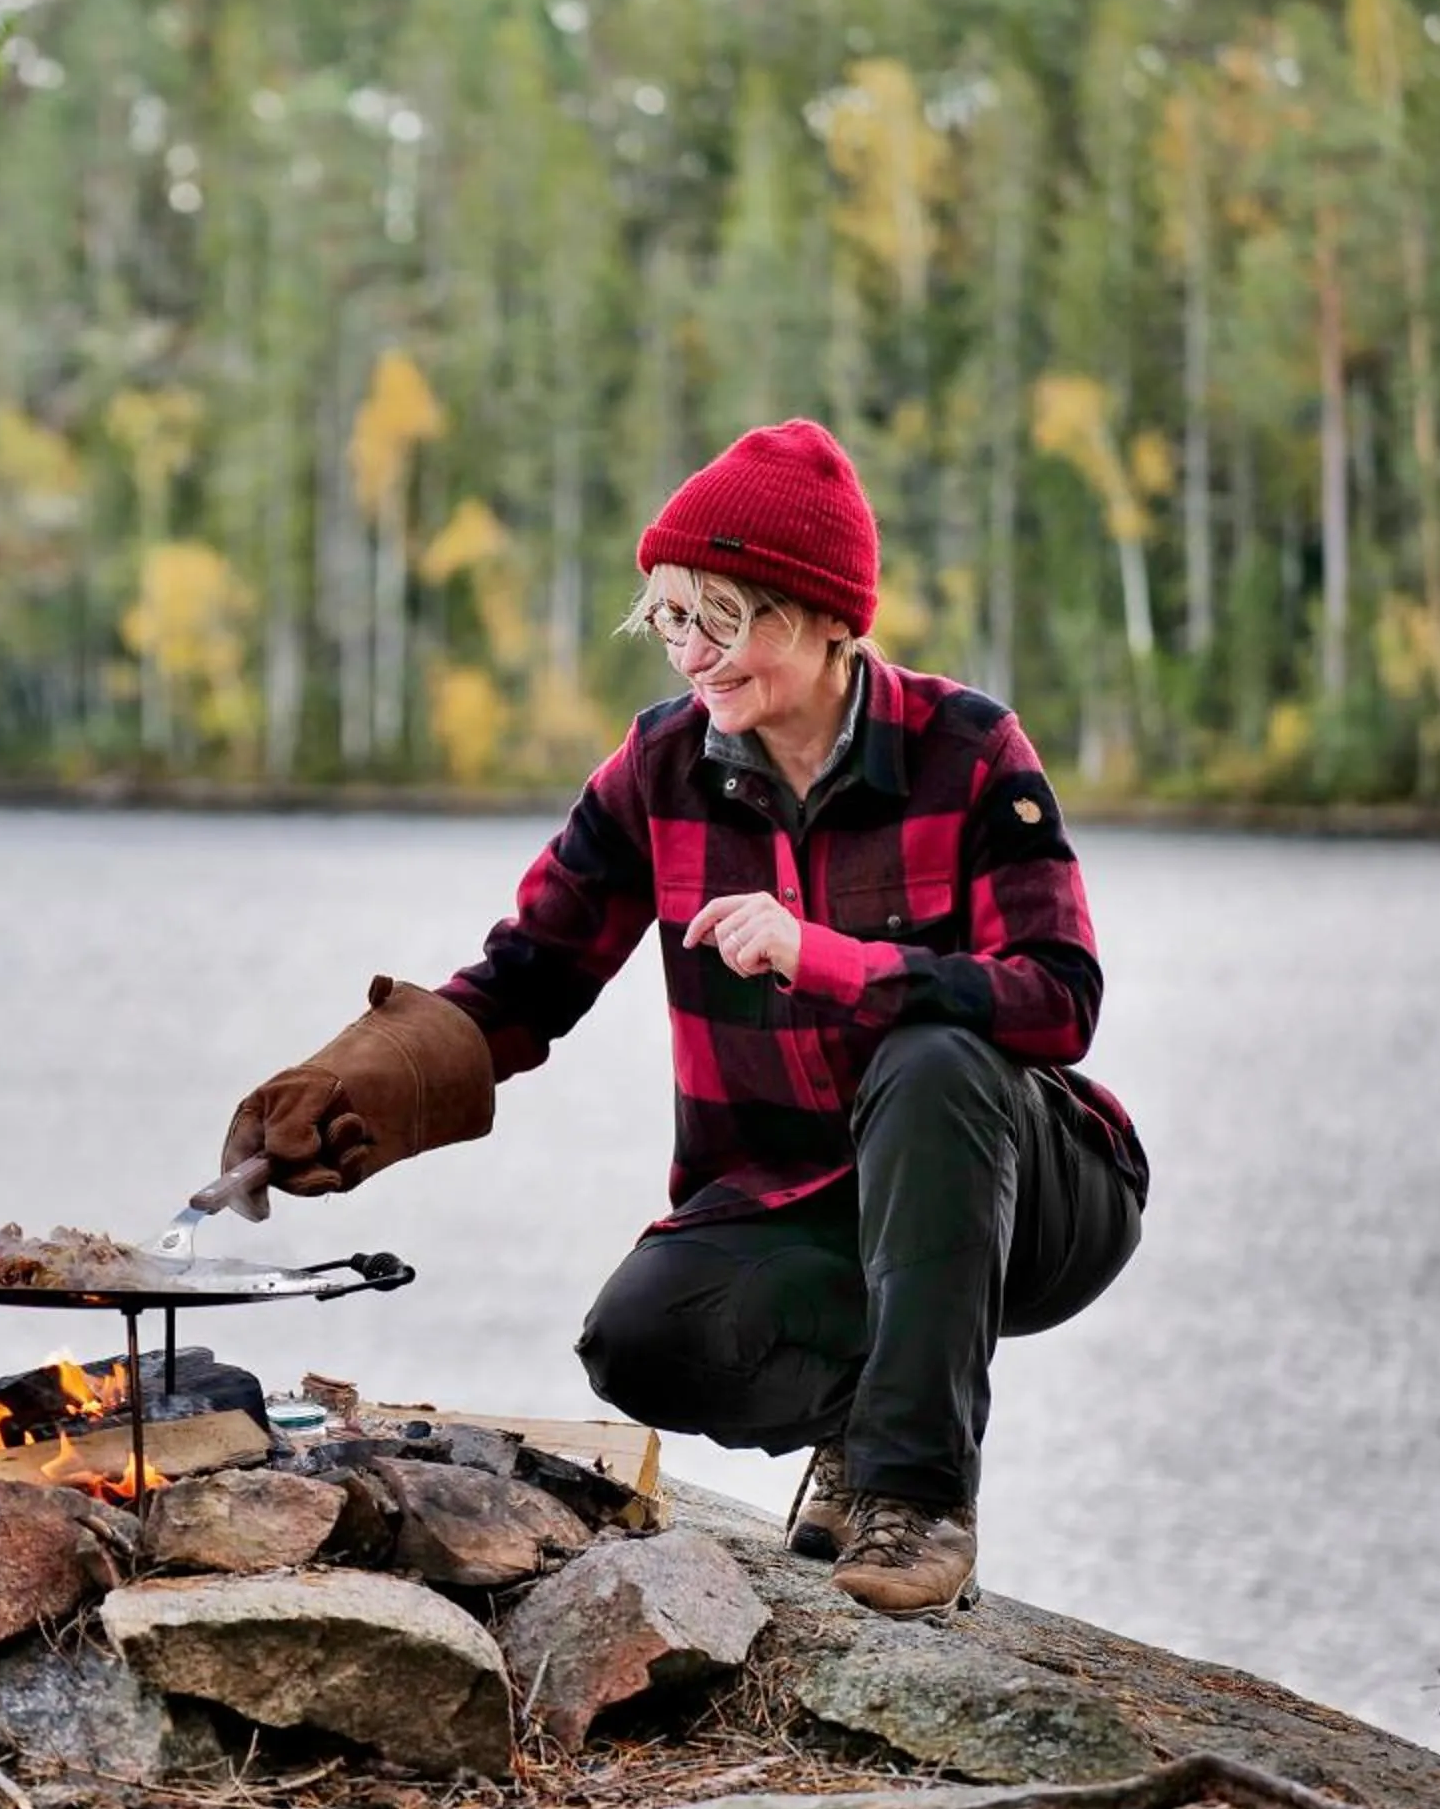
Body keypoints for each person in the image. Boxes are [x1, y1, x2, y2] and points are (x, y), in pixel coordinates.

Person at [220, 418, 1149, 1617]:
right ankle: (868, 1429)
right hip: (801, 1200)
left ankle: (919, 1496)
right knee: (641, 1341)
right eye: (668, 616)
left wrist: (831, 959)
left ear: (824, 616)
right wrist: (351, 1094)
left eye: (725, 617)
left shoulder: (967, 750)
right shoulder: (657, 774)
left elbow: (1060, 995)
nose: (691, 653)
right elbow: (527, 980)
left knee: (932, 1060)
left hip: (1033, 1191)